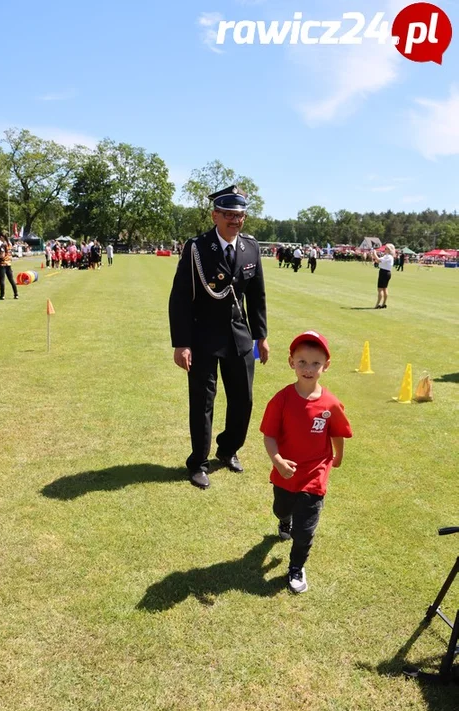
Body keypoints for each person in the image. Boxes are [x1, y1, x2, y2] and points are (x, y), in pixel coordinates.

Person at [169, 185, 269, 489]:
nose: (235, 220)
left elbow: (257, 295)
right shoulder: (197, 248)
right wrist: (181, 343)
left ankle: (228, 450)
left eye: (239, 215)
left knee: (244, 398)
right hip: (203, 335)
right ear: (215, 215)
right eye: (228, 214)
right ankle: (198, 462)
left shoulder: (250, 247)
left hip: (239, 334)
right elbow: (180, 298)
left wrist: (261, 337)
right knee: (202, 402)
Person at [260, 331, 352, 593]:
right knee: (281, 508)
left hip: (315, 475)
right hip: (285, 474)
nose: (308, 369)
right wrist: (278, 461)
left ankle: (296, 567)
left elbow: (337, 433)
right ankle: (284, 520)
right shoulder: (281, 400)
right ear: (291, 363)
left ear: (326, 366)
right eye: (302, 362)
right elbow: (269, 436)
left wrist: (338, 456)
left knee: (306, 530)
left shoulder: (331, 404)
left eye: (315, 363)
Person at [372, 243, 395, 308]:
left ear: (389, 250)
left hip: (384, 272)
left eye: (386, 248)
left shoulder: (388, 256)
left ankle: (377, 304)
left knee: (380, 289)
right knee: (385, 288)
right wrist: (374, 255)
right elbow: (377, 260)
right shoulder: (387, 256)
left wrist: (374, 253)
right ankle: (383, 304)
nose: (384, 249)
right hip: (386, 272)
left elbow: (378, 260)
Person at [0, 233, 18, 300]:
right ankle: (16, 294)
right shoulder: (9, 244)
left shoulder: (3, 245)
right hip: (8, 264)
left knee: (2, 280)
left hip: (2, 264)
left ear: (2, 237)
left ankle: (2, 296)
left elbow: (2, 255)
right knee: (11, 280)